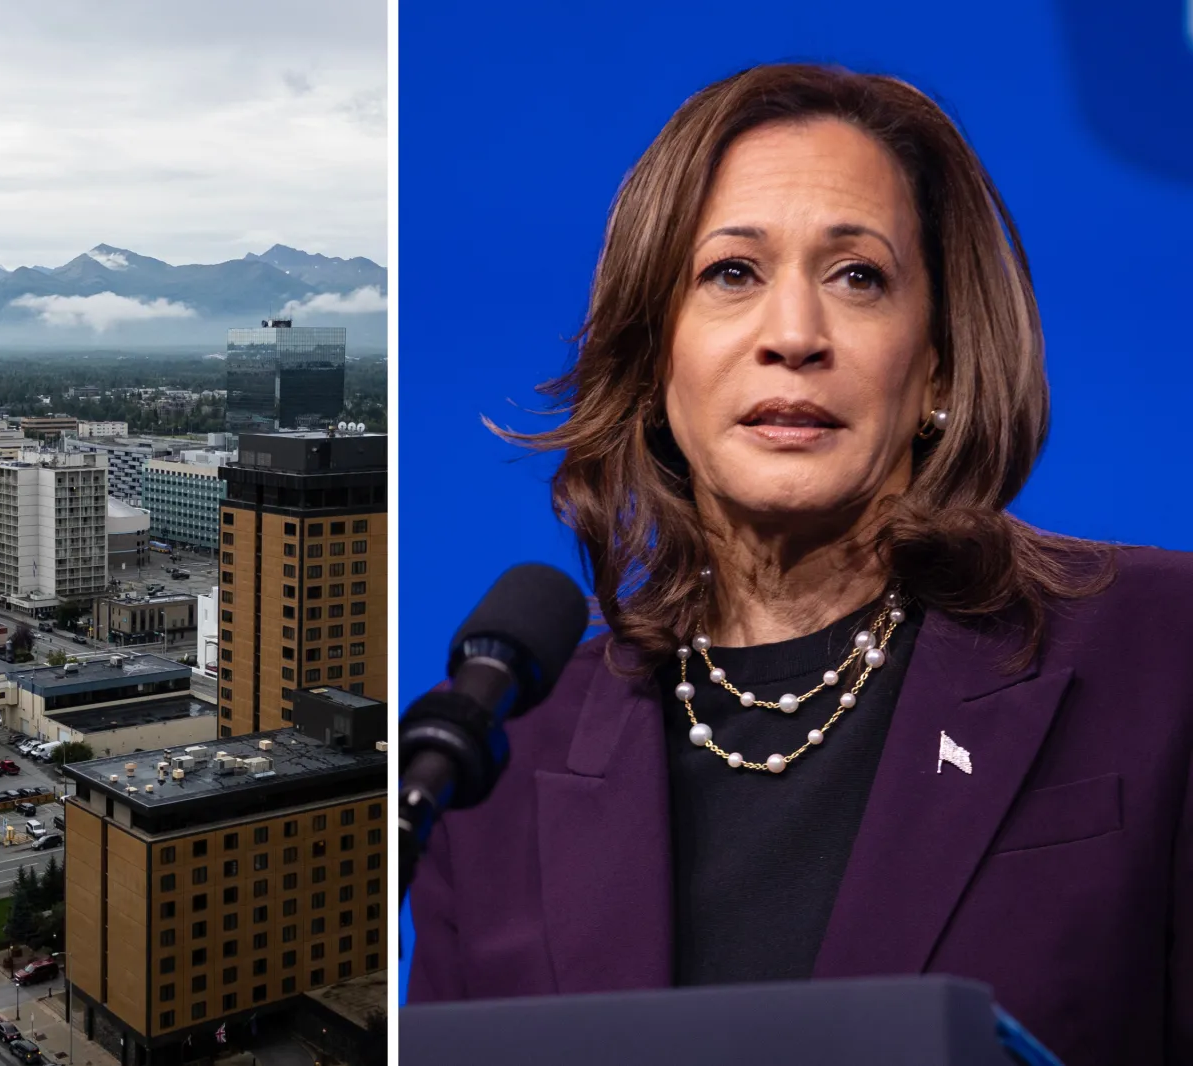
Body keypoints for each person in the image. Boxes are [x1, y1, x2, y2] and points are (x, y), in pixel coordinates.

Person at [404, 64, 1192, 1066]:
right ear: (655, 360)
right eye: (731, 273)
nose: (793, 336)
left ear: (939, 365)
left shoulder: (1161, 650)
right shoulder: (495, 765)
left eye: (857, 277)